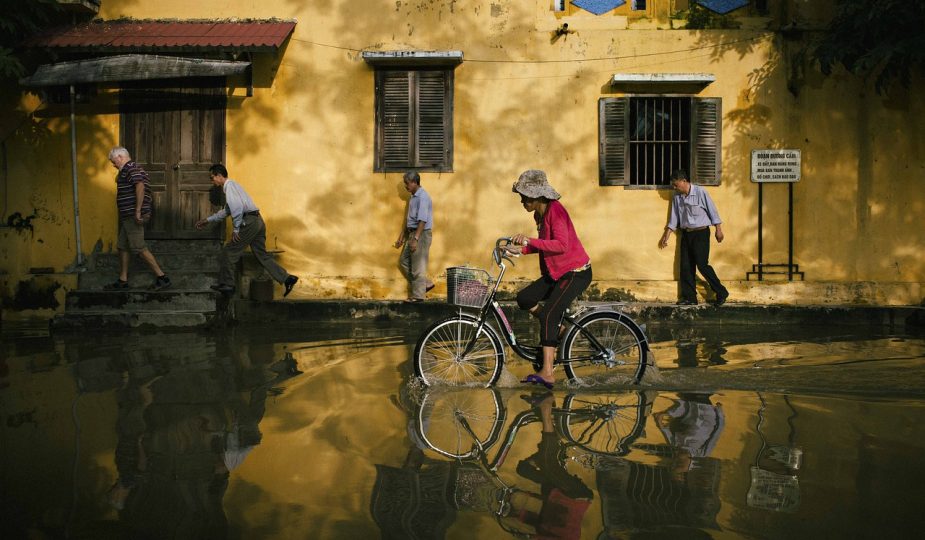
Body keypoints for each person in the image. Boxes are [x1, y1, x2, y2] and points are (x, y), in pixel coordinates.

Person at [508, 170, 592, 389]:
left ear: (538, 196)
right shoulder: (540, 215)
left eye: (525, 196)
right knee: (525, 298)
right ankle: (561, 331)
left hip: (575, 272)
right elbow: (545, 246)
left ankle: (547, 372)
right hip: (557, 273)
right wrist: (519, 250)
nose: (522, 201)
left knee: (548, 315)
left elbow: (561, 245)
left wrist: (529, 240)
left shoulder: (556, 211)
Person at [195, 164, 298, 297]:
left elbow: (236, 207)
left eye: (212, 177)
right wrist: (208, 220)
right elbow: (227, 210)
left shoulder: (229, 186)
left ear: (219, 176)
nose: (212, 180)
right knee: (262, 255)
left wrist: (236, 229)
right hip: (257, 221)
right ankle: (287, 278)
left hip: (249, 222)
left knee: (229, 250)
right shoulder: (234, 186)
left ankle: (228, 284)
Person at [658, 169, 729, 306]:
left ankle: (721, 292)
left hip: (701, 233)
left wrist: (718, 230)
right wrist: (666, 236)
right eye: (673, 185)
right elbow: (674, 219)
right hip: (686, 234)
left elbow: (712, 211)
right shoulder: (677, 197)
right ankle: (690, 298)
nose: (674, 188)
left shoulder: (700, 192)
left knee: (702, 265)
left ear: (684, 181)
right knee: (686, 266)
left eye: (676, 185)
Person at [105, 147, 171, 291]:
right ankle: (123, 280)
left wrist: (138, 210)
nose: (113, 164)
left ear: (120, 157)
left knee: (139, 247)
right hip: (128, 216)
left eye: (113, 161)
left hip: (132, 215)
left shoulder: (131, 168)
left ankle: (162, 278)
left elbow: (140, 186)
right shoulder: (130, 169)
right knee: (123, 245)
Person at [393, 171, 434, 303]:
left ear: (415, 182)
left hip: (420, 234)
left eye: (407, 183)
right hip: (412, 233)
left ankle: (418, 296)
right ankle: (425, 284)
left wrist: (416, 238)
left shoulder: (423, 197)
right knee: (403, 261)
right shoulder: (413, 197)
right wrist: (402, 236)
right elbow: (408, 219)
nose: (405, 186)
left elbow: (422, 219)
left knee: (418, 267)